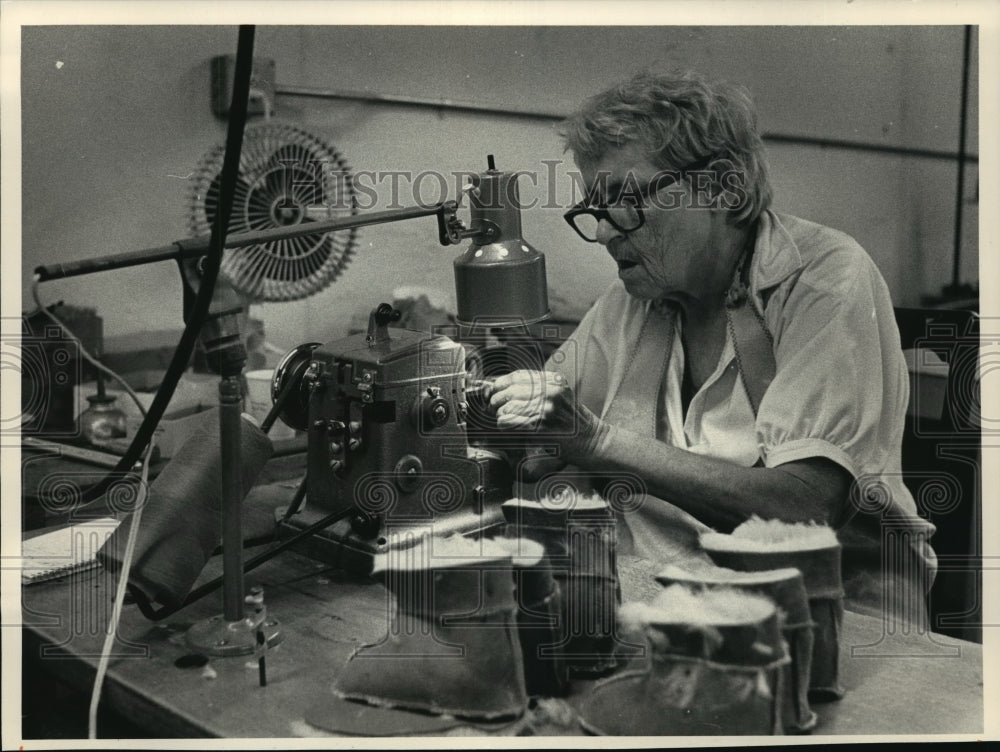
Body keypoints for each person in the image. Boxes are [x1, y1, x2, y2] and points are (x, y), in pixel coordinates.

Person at [486, 70, 936, 625]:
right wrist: (495, 413)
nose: (604, 233)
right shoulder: (638, 297)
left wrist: (596, 440)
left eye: (625, 203)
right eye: (595, 211)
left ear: (723, 187)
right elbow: (542, 444)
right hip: (672, 597)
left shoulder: (823, 280)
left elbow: (804, 507)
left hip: (828, 611)